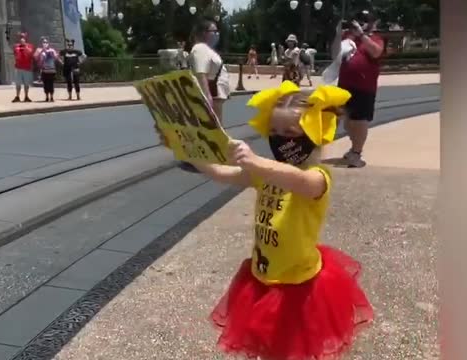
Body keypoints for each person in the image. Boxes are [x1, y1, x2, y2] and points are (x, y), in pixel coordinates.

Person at [154, 81, 374, 360]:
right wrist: (183, 150)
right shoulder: (265, 174)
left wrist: (255, 162)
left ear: (314, 134)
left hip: (298, 288)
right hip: (261, 278)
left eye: (290, 132)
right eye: (274, 132)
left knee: (292, 350)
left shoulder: (318, 177)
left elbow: (298, 180)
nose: (280, 139)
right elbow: (222, 174)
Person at [337, 9, 386, 168]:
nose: (361, 23)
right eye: (358, 19)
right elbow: (334, 54)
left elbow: (376, 52)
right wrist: (338, 34)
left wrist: (361, 36)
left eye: (365, 20)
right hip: (344, 86)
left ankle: (356, 153)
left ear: (371, 23)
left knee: (359, 121)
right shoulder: (347, 39)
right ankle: (353, 148)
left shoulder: (375, 38)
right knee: (347, 122)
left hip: (364, 88)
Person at [188, 19, 230, 124]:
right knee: (214, 129)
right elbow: (201, 73)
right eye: (214, 31)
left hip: (215, 95)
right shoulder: (200, 48)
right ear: (204, 33)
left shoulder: (205, 49)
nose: (217, 34)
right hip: (212, 95)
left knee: (216, 128)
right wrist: (207, 98)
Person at [12, 32, 35, 103]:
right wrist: (19, 47)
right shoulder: (16, 46)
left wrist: (25, 47)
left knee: (26, 84)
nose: (22, 39)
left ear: (26, 39)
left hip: (27, 68)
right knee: (18, 83)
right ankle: (17, 96)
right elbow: (15, 54)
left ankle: (26, 96)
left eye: (23, 38)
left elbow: (31, 54)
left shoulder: (30, 46)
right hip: (18, 68)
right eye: (21, 38)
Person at [37, 37, 59, 102]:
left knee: (51, 84)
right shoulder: (40, 51)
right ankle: (47, 97)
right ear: (42, 43)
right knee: (45, 84)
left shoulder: (52, 50)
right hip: (44, 70)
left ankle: (51, 97)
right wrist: (42, 53)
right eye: (44, 42)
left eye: (46, 42)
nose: (45, 44)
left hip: (51, 70)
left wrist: (54, 55)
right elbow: (39, 61)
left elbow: (56, 58)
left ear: (48, 43)